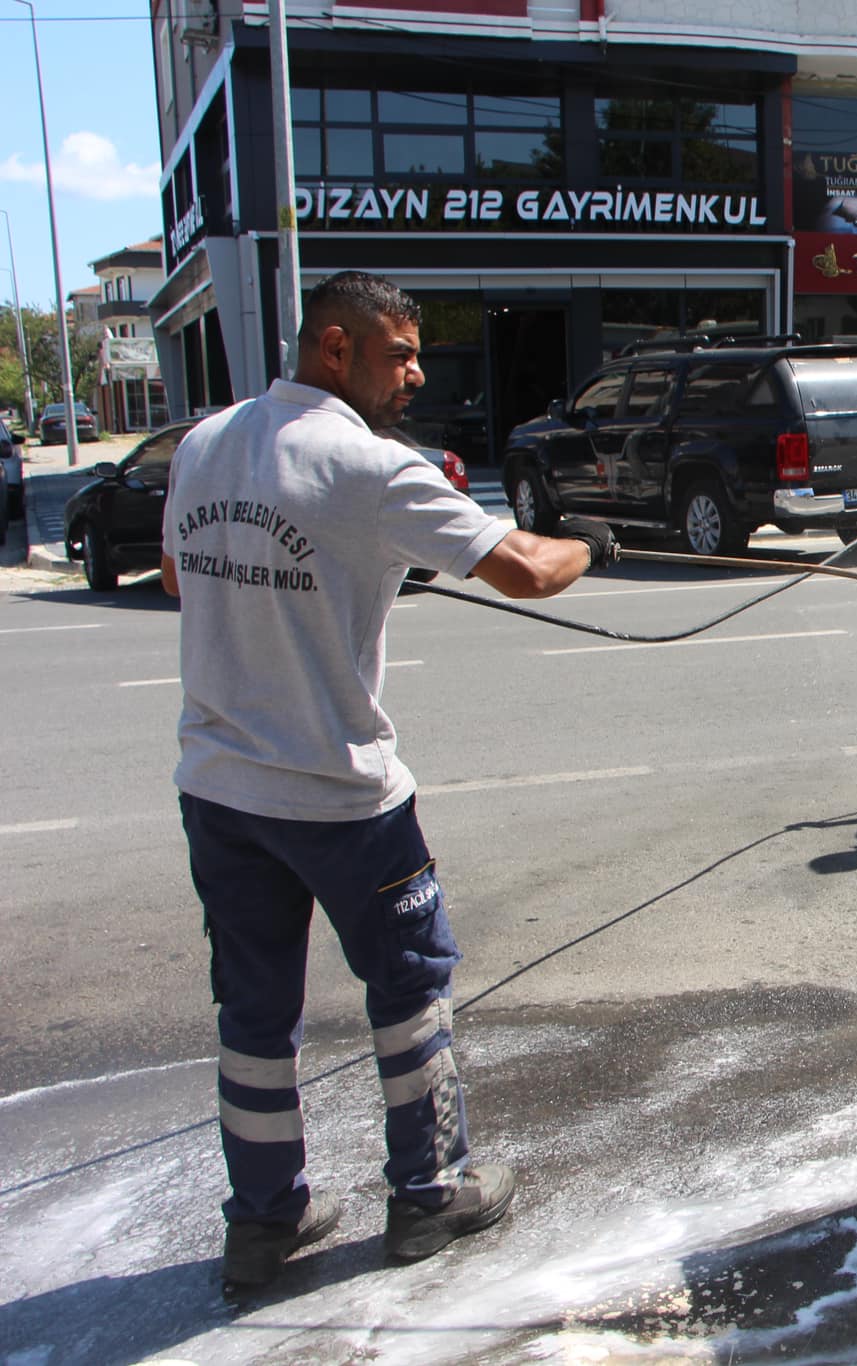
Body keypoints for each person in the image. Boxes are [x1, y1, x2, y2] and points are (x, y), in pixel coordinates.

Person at [160, 271, 620, 1291]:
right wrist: (589, 540)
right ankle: (428, 1193)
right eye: (400, 352)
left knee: (253, 1015)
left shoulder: (204, 442)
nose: (416, 373)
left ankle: (265, 1220)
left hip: (221, 790)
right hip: (342, 798)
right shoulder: (371, 467)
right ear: (335, 347)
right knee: (409, 991)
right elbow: (527, 570)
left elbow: (175, 577)